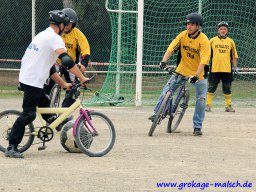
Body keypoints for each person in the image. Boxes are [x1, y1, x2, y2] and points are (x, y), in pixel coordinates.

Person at [5, 10, 89, 158]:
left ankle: (53, 123)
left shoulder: (43, 34)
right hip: (33, 80)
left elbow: (51, 70)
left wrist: (64, 84)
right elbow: (67, 61)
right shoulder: (55, 38)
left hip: (28, 77)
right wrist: (82, 77)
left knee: (45, 105)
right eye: (65, 25)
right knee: (29, 114)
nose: (66, 28)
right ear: (61, 25)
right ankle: (12, 146)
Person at [148, 13, 211, 136]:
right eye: (188, 24)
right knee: (167, 88)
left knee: (202, 99)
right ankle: (157, 113)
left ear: (198, 26)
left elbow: (204, 61)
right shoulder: (182, 36)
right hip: (181, 70)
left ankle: (197, 126)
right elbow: (171, 48)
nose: (189, 26)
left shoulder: (204, 40)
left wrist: (196, 76)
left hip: (199, 74)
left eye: (192, 24)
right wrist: (163, 61)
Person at [44, 8, 91, 108]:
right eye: (65, 23)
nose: (67, 25)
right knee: (48, 84)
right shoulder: (56, 33)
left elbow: (85, 51)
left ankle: (64, 114)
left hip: (70, 65)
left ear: (73, 24)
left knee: (74, 90)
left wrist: (83, 65)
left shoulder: (78, 35)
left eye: (70, 23)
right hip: (56, 62)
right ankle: (46, 106)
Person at [206, 21, 238, 112]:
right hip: (214, 68)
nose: (223, 30)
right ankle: (208, 105)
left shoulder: (231, 41)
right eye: (221, 29)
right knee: (211, 87)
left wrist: (234, 66)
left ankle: (228, 106)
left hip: (227, 69)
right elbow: (206, 53)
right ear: (218, 30)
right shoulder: (212, 40)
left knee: (227, 88)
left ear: (227, 30)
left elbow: (234, 56)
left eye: (225, 29)